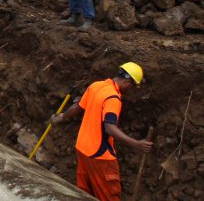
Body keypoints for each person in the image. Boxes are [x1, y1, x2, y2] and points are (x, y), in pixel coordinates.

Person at [51, 62, 153, 201]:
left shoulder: (96, 85)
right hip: (99, 156)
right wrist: (135, 144)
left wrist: (62, 116)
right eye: (133, 86)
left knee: (84, 194)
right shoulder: (113, 98)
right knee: (109, 196)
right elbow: (109, 127)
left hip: (82, 148)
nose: (132, 90)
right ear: (128, 81)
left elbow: (78, 106)